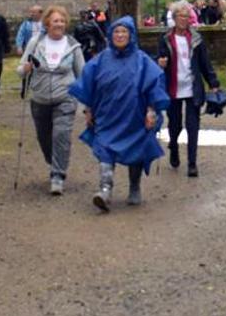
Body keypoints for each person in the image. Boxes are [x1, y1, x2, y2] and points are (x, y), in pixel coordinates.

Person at [69, 16, 171, 212]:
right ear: (110, 34)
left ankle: (134, 186)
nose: (120, 35)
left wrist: (151, 110)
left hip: (134, 116)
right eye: (116, 31)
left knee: (135, 150)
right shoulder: (100, 60)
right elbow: (88, 83)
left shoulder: (142, 60)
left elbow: (154, 84)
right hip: (107, 116)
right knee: (104, 148)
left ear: (131, 35)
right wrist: (88, 108)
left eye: (124, 32)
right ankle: (105, 190)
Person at [18, 6, 84, 195]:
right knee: (44, 138)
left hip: (65, 98)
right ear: (47, 23)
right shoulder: (35, 42)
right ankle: (53, 159)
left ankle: (57, 176)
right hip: (39, 99)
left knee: (61, 136)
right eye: (55, 21)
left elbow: (83, 74)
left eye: (62, 21)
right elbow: (20, 70)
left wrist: (88, 102)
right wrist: (26, 68)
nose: (59, 24)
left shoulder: (73, 45)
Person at [157, 1, 221, 177]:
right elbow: (159, 59)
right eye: (181, 16)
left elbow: (204, 63)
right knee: (175, 124)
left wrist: (213, 83)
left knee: (193, 126)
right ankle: (174, 146)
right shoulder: (165, 38)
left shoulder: (196, 39)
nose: (184, 19)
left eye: (187, 16)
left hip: (193, 87)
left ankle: (192, 163)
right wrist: (160, 63)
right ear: (175, 18)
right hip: (173, 87)